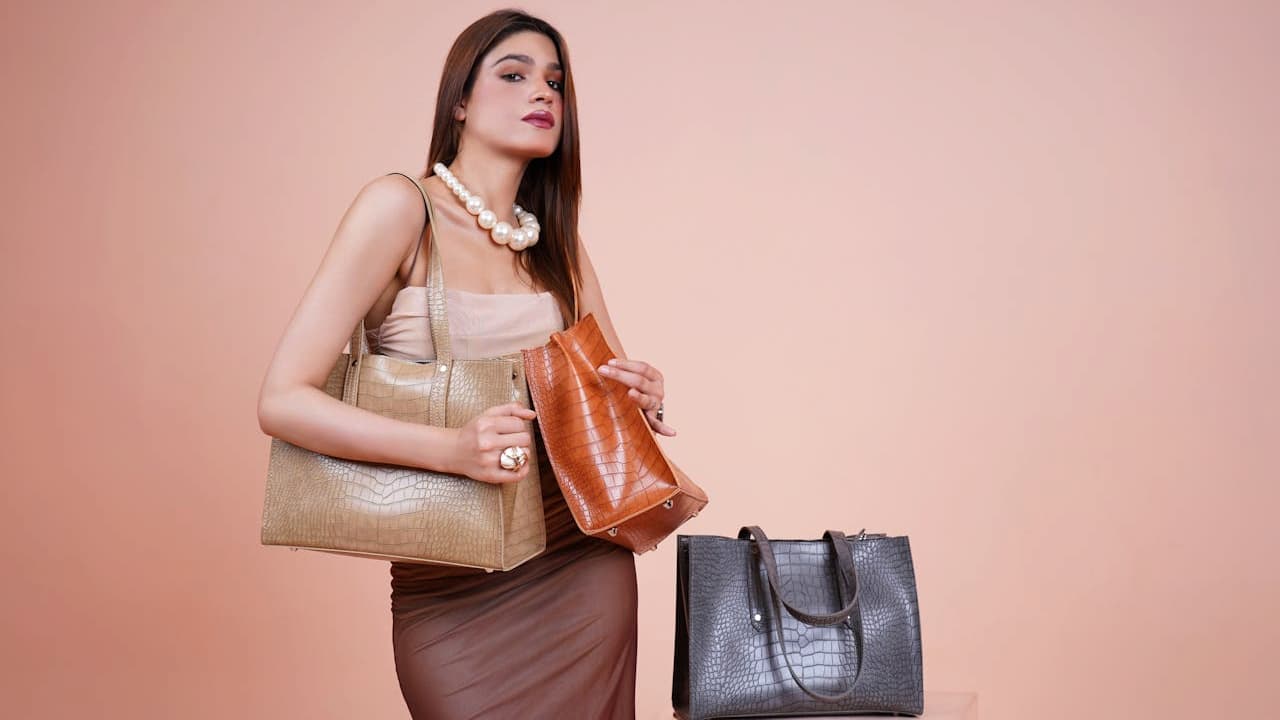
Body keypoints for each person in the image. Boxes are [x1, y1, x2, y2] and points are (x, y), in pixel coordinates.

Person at [256, 9, 678, 719]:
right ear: (459, 101)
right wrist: (452, 449)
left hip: (579, 563)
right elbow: (282, 400)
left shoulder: (557, 247)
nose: (541, 93)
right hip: (449, 580)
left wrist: (645, 398)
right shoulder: (400, 209)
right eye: (513, 75)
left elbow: (604, 408)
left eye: (555, 81)